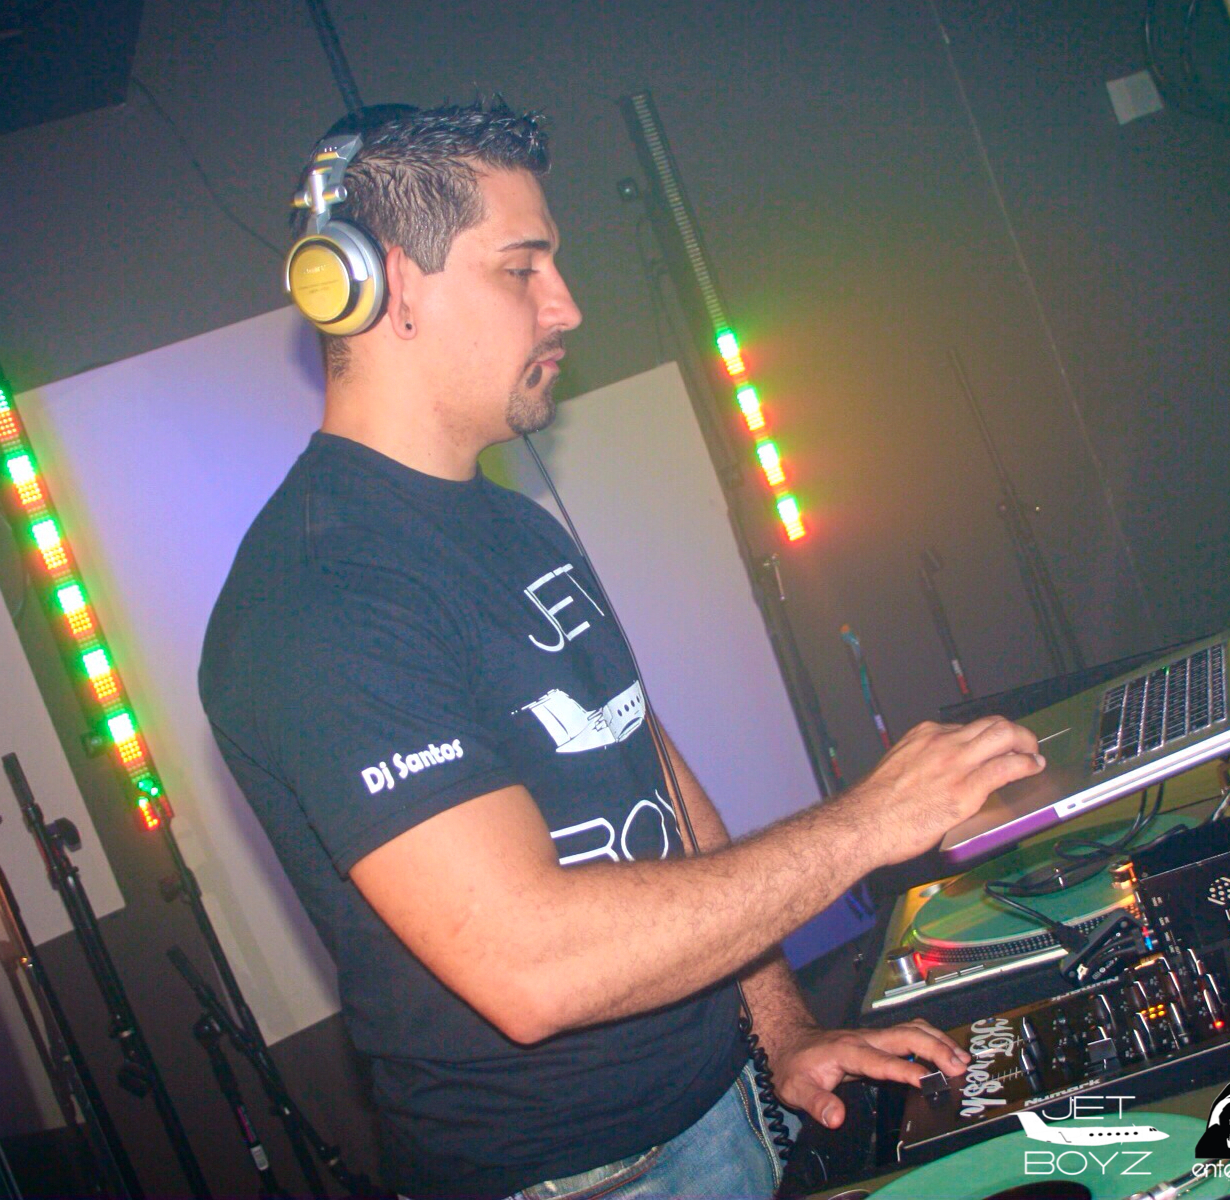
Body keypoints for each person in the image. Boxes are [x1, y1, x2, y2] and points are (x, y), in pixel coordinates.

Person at [199, 98, 1045, 1200]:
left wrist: (781, 1026)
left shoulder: (514, 524)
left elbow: (652, 768)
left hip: (723, 1108)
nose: (567, 305)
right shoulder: (320, 596)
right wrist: (869, 824)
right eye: (522, 268)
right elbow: (531, 966)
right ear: (390, 284)